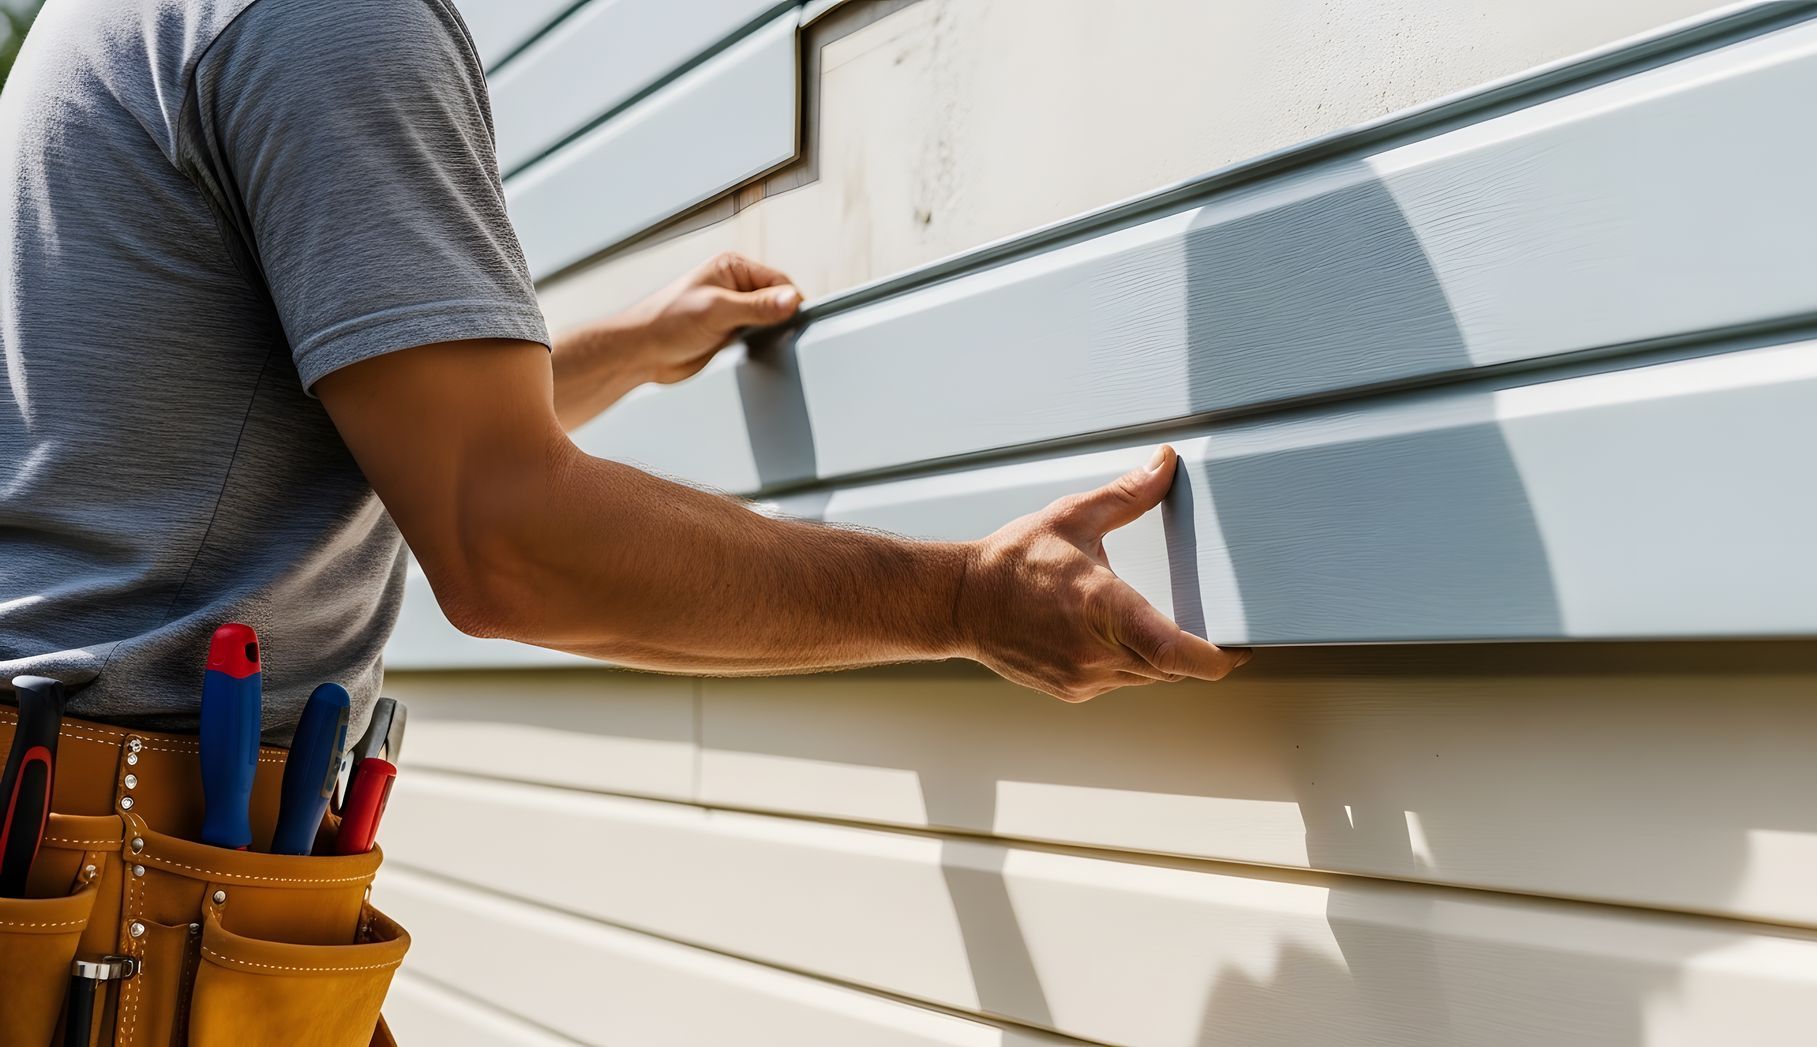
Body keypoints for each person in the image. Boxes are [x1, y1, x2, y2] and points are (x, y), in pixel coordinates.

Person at [0, 0, 1247, 747]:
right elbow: (509, 545)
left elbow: (344, 418)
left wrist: (636, 345)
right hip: (122, 886)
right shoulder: (324, 22)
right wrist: (964, 602)